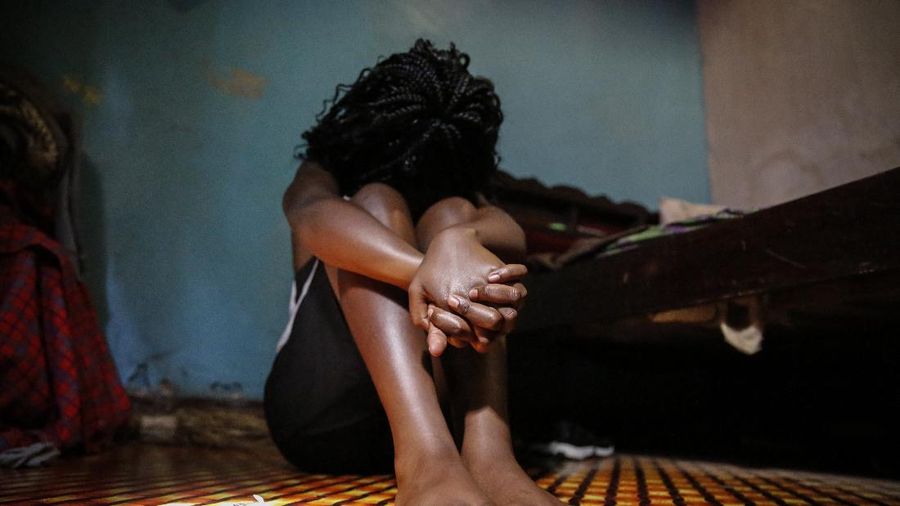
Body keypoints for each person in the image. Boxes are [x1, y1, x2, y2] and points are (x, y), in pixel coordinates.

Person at [264, 40, 559, 505]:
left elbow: (509, 231)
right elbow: (309, 213)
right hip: (321, 416)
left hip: (443, 412)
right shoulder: (323, 175)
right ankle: (425, 464)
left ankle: (489, 458)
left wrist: (458, 242)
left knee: (455, 217)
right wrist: (426, 272)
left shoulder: (458, 200)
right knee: (376, 202)